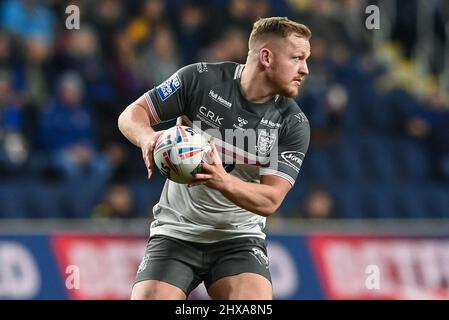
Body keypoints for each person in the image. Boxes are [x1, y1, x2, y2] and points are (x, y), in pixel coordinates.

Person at [118, 17, 311, 300]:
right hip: (176, 231)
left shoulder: (292, 123)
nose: (305, 69)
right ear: (267, 57)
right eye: (297, 58)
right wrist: (148, 138)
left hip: (239, 240)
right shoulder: (200, 79)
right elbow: (131, 115)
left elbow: (271, 199)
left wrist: (223, 181)